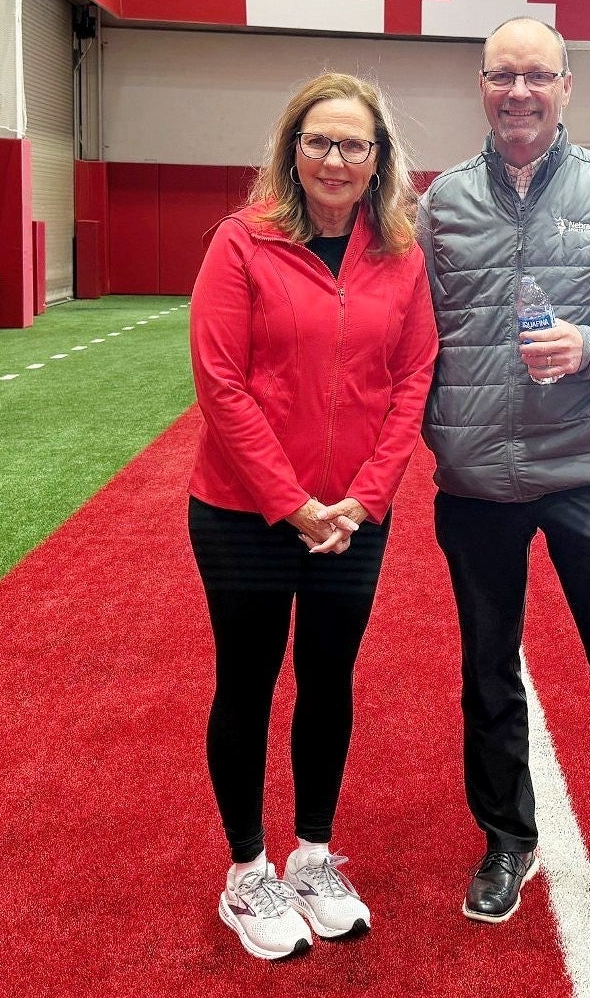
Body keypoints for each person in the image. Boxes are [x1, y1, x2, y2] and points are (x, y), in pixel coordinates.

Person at [416, 17, 590, 962]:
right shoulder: (443, 202)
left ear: (567, 86)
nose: (519, 92)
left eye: (537, 75)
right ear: (482, 86)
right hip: (476, 480)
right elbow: (411, 340)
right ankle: (507, 841)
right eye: (502, 75)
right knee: (486, 671)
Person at [188, 73, 439, 961]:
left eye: (354, 145)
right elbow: (219, 382)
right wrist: (290, 503)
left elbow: (412, 380)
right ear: (292, 148)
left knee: (328, 679)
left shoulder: (403, 255)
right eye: (319, 141)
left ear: (379, 161)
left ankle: (314, 854)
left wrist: (364, 499)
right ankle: (247, 869)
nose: (336, 159)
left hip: (353, 517)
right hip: (243, 513)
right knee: (249, 682)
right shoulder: (241, 242)